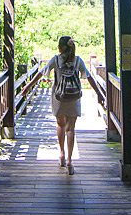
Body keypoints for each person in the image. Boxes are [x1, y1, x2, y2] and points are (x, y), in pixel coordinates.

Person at [28, 35, 101, 175]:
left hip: (59, 97)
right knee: (71, 129)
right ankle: (69, 161)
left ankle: (61, 154)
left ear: (60, 47)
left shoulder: (56, 59)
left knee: (61, 125)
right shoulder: (78, 60)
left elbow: (41, 73)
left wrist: (28, 87)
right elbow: (89, 77)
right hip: (73, 98)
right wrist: (98, 92)